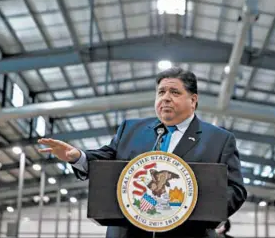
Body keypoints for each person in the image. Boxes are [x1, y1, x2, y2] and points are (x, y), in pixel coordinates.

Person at [38, 67, 247, 238]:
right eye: (161, 92)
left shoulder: (219, 140)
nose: (165, 98)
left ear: (193, 100)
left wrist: (196, 209)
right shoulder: (130, 129)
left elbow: (236, 190)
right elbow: (107, 158)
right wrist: (78, 157)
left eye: (174, 92)